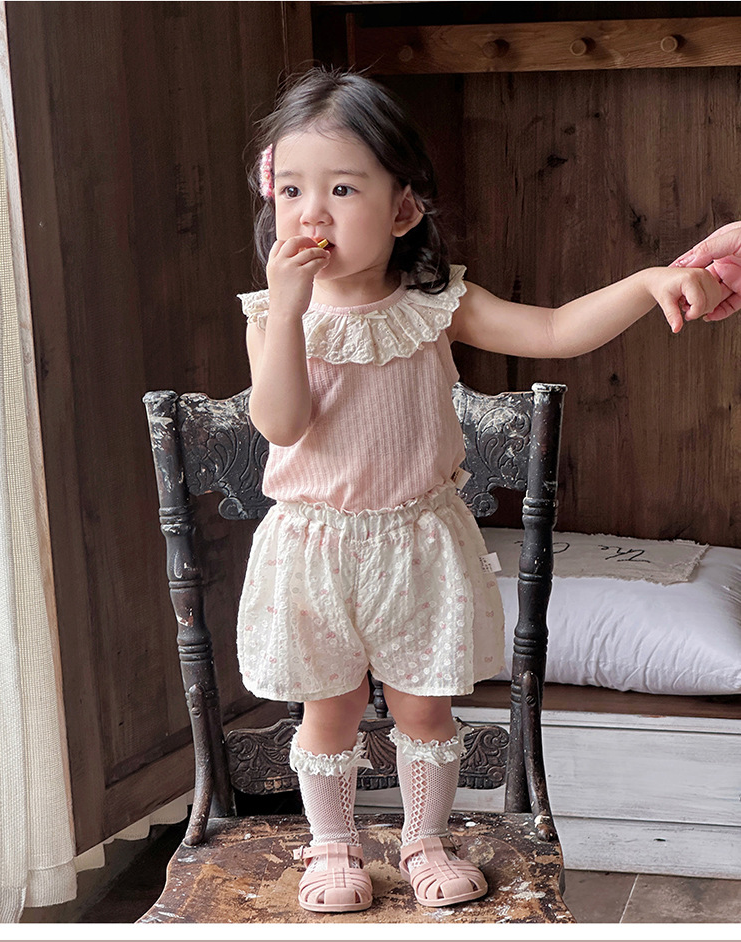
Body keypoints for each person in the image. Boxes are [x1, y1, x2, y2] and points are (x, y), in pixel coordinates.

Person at [235, 67, 730, 914]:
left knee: (425, 711)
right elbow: (281, 423)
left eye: (342, 188)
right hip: (315, 548)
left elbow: (555, 329)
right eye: (292, 190)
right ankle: (334, 846)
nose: (312, 213)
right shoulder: (273, 317)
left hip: (417, 542)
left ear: (402, 209)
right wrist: (287, 313)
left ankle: (424, 840)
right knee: (331, 712)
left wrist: (649, 282)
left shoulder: (436, 304)